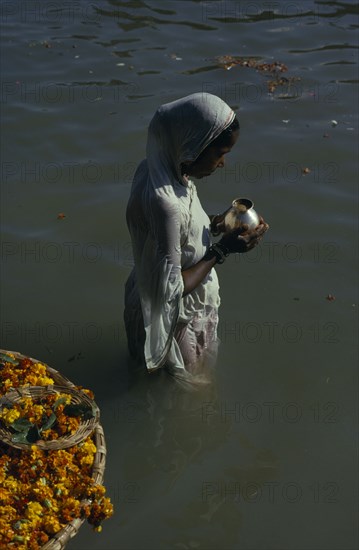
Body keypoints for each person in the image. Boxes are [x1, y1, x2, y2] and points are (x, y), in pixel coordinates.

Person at [124, 92, 268, 385]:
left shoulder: (161, 171)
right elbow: (172, 291)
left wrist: (221, 222)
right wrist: (222, 250)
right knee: (193, 395)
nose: (223, 163)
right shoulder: (167, 204)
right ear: (193, 147)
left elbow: (179, 232)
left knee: (151, 384)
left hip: (143, 296)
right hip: (178, 319)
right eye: (220, 153)